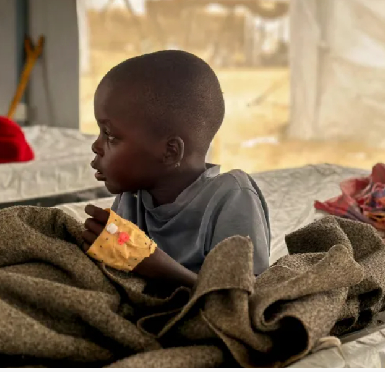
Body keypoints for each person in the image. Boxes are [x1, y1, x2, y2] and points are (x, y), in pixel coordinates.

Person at [81, 50, 270, 289]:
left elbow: (244, 298)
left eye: (109, 135)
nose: (96, 146)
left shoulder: (232, 196)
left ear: (170, 152)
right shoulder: (132, 197)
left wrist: (154, 265)